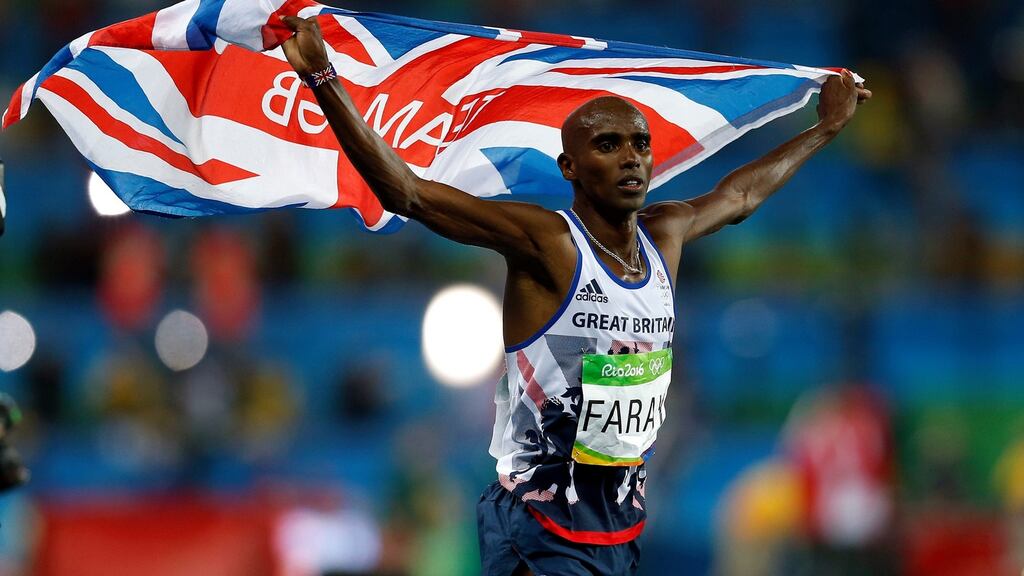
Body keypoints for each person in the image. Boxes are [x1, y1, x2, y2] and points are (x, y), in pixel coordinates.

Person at [281, 15, 871, 576]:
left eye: (639, 143)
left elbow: (740, 196)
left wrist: (825, 128)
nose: (631, 158)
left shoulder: (664, 236)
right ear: (569, 165)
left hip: (616, 522)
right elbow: (409, 192)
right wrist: (322, 78)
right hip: (540, 519)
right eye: (608, 145)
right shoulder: (549, 244)